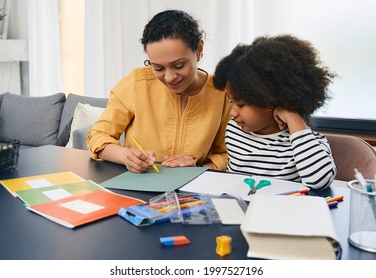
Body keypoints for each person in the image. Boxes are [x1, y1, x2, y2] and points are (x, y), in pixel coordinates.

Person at [87, 10, 231, 173]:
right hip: (138, 186)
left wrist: (197, 168)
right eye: (158, 68)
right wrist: (126, 156)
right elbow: (98, 136)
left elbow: (228, 154)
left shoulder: (221, 94)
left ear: (198, 49)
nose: (169, 77)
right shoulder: (137, 83)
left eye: (178, 65)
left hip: (192, 191)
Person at [213, 34, 337, 189]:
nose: (232, 112)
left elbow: (320, 182)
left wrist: (292, 116)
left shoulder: (305, 142)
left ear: (270, 100)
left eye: (241, 104)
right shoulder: (234, 130)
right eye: (232, 102)